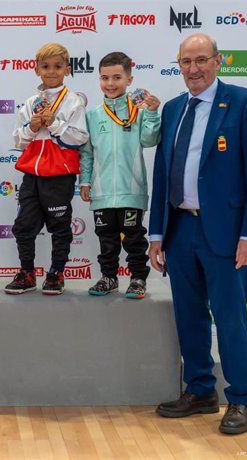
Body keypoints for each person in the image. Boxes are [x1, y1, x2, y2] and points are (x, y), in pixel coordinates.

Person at [149, 33, 247, 434]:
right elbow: (163, 175)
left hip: (227, 233)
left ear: (219, 61)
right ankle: (200, 390)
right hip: (181, 229)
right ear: (179, 65)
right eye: (186, 62)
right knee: (189, 315)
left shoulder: (244, 102)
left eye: (202, 60)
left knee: (231, 318)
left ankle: (240, 398)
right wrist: (156, 234)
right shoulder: (172, 110)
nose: (194, 69)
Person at [4, 42, 89, 295]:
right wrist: (32, 126)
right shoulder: (31, 102)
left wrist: (54, 124)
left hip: (59, 175)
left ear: (67, 69)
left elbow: (80, 138)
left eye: (57, 66)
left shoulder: (73, 102)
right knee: (23, 225)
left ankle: (56, 273)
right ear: (36, 69)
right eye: (45, 66)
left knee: (59, 226)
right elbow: (17, 141)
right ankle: (27, 273)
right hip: (31, 174)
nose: (51, 71)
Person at [79, 52, 161, 299]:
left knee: (135, 239)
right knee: (106, 240)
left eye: (117, 77)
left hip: (131, 189)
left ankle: (137, 279)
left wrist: (153, 113)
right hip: (102, 192)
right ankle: (109, 277)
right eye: (105, 78)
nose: (110, 83)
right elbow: (87, 153)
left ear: (129, 79)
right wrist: (84, 180)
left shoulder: (139, 110)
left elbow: (149, 139)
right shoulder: (93, 115)